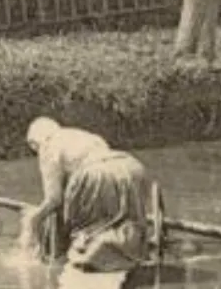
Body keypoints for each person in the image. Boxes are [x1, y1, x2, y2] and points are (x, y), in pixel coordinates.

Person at [22, 116, 156, 271]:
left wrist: (33, 219)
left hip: (97, 174)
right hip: (131, 167)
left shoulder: (48, 146)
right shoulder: (84, 136)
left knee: (88, 227)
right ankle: (129, 247)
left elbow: (54, 198)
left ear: (35, 143)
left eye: (34, 149)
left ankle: (97, 255)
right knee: (120, 220)